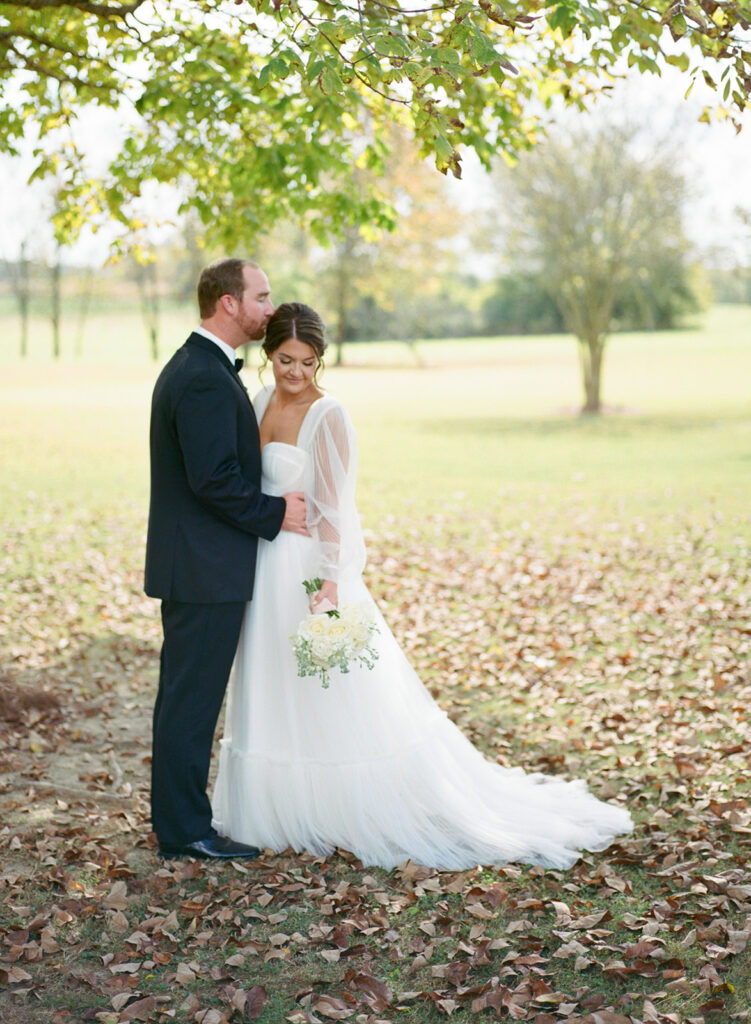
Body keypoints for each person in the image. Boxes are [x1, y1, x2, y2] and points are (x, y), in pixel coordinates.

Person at [212, 302, 633, 871]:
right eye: (285, 360)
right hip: (264, 564)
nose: (295, 373)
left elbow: (336, 507)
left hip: (308, 568)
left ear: (320, 360)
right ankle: (272, 810)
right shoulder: (258, 401)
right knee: (272, 681)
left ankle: (337, 805)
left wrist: (331, 584)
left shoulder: (328, 414)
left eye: (307, 362)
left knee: (328, 692)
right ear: (268, 356)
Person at [145, 259, 309, 861]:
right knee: (190, 702)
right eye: (262, 297)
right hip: (202, 568)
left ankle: (179, 822)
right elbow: (213, 480)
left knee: (185, 699)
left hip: (199, 565)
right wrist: (274, 514)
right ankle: (186, 830)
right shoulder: (204, 376)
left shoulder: (203, 366)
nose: (271, 308)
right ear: (230, 305)